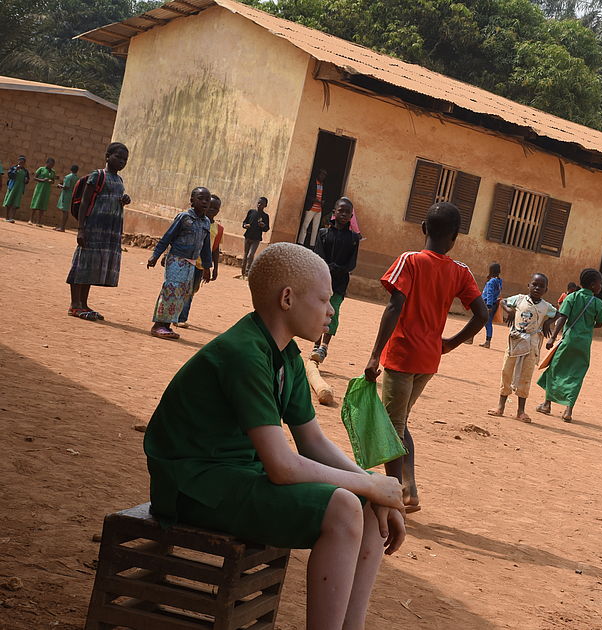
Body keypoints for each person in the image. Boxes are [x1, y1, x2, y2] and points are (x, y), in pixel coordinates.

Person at [143, 242, 406, 630]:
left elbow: (313, 443)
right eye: (323, 299)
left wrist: (373, 486)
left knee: (363, 502)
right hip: (193, 485)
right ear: (287, 298)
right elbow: (282, 468)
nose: (331, 310)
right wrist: (369, 486)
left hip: (234, 477)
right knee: (346, 506)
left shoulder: (286, 356)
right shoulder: (244, 353)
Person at [363, 202, 488, 512]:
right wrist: (450, 343)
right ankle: (408, 490)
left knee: (392, 427)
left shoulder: (410, 261)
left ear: (423, 228)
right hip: (429, 359)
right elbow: (482, 314)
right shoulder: (460, 271)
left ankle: (395, 497)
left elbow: (395, 306)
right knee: (399, 422)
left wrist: (374, 355)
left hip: (403, 355)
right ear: (455, 237)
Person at [66, 143, 131, 320]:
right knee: (82, 264)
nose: (122, 162)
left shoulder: (119, 181)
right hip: (92, 228)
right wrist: (81, 229)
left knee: (92, 266)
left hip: (108, 232)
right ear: (107, 156)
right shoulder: (97, 176)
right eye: (118, 157)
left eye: (125, 159)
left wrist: (124, 200)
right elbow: (85, 202)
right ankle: (74, 305)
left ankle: (84, 304)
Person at [536, 268, 602, 422]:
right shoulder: (598, 303)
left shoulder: (571, 297)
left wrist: (552, 337)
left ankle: (547, 404)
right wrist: (587, 326)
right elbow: (600, 323)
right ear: (593, 285)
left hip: (568, 340)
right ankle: (568, 411)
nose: (601, 287)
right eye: (600, 284)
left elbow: (562, 317)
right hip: (584, 344)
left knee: (555, 369)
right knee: (576, 375)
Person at [487, 273, 556, 422]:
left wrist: (547, 323)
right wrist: (510, 311)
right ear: (529, 286)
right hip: (515, 340)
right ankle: (500, 406)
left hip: (531, 344)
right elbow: (503, 301)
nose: (537, 288)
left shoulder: (546, 307)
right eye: (534, 284)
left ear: (546, 290)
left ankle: (521, 411)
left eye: (541, 286)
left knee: (526, 375)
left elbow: (558, 314)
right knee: (507, 371)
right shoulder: (519, 299)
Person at [148, 187, 213, 340]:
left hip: (191, 263)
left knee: (181, 294)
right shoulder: (184, 217)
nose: (204, 202)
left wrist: (207, 267)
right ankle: (158, 325)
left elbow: (206, 246)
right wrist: (155, 255)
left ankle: (168, 326)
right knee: (171, 290)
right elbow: (167, 237)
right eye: (201, 198)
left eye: (207, 200)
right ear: (192, 200)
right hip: (177, 259)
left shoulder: (206, 222)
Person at [309, 198, 360, 364]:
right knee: (318, 312)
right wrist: (329, 267)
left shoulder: (353, 238)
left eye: (347, 212)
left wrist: (338, 268)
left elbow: (352, 263)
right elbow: (318, 256)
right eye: (341, 211)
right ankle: (316, 344)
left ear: (351, 216)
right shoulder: (324, 234)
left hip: (339, 284)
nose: (344, 214)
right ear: (334, 212)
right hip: (322, 281)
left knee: (333, 312)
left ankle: (324, 346)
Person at [175, 194, 224, 329]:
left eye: (216, 208)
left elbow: (215, 249)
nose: (212, 209)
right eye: (210, 206)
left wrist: (214, 268)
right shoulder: (194, 221)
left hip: (202, 265)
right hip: (188, 260)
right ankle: (180, 317)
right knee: (184, 289)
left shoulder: (218, 229)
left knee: (192, 290)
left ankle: (180, 315)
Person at [239, 196, 270, 278]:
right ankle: (242, 273)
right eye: (258, 203)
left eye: (262, 204)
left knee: (250, 255)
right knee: (245, 255)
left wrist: (263, 226)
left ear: (265, 205)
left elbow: (267, 228)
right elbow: (244, 222)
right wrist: (245, 225)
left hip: (256, 238)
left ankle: (247, 272)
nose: (259, 205)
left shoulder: (265, 216)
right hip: (248, 236)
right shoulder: (251, 212)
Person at [299, 168, 327, 247]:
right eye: (322, 174)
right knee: (305, 226)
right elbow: (307, 195)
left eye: (324, 175)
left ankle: (312, 245)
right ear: (318, 174)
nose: (323, 176)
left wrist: (323, 202)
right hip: (311, 208)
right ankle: (300, 242)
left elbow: (324, 197)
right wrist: (315, 200)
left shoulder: (323, 185)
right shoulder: (313, 184)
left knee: (315, 228)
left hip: (319, 209)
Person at [478, 262, 503, 349]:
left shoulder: (491, 282)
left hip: (487, 304)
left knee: (482, 321)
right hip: (494, 303)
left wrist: (488, 306)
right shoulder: (499, 281)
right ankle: (486, 341)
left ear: (491, 271)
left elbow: (489, 293)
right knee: (485, 322)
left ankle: (486, 341)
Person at [29, 157, 57, 226]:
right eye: (50, 164)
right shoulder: (41, 169)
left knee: (43, 205)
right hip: (39, 189)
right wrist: (42, 180)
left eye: (53, 165)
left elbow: (53, 181)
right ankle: (31, 220)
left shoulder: (53, 172)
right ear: (47, 163)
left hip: (46, 190)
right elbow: (35, 178)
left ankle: (39, 222)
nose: (51, 166)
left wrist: (51, 181)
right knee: (35, 203)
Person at [4, 155, 30, 223]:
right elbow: (10, 175)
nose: (21, 163)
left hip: (19, 188)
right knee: (9, 202)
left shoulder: (26, 171)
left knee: (15, 203)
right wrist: (16, 170)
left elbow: (27, 180)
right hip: (12, 187)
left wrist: (26, 180)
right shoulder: (13, 168)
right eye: (20, 162)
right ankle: (7, 217)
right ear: (18, 161)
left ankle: (11, 217)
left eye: (23, 162)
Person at [55, 164, 79, 232]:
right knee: (66, 211)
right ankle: (62, 226)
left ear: (71, 169)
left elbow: (66, 187)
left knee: (64, 211)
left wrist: (60, 186)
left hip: (66, 194)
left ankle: (62, 227)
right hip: (71, 195)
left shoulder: (68, 177)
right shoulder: (76, 178)